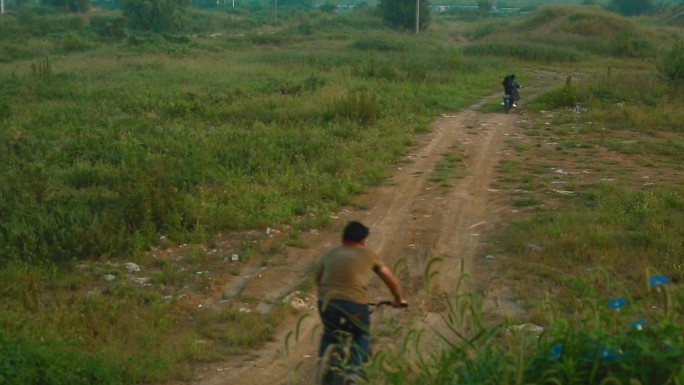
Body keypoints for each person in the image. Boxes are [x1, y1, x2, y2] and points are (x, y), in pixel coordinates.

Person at [315, 221, 408, 382]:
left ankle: (326, 371)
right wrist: (399, 299)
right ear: (362, 240)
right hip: (354, 305)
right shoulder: (368, 254)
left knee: (329, 335)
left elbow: (318, 279)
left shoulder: (330, 253)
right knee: (361, 333)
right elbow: (390, 279)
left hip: (326, 303)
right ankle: (354, 372)